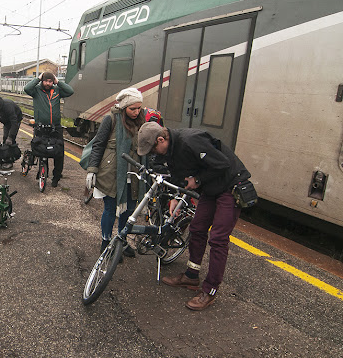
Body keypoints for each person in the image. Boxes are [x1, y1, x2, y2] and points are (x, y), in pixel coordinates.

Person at [136, 122, 251, 311]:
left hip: (230, 187)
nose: (154, 154)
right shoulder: (171, 151)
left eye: (153, 149)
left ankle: (210, 290)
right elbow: (181, 177)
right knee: (197, 229)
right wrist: (176, 197)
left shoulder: (190, 141)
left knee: (218, 239)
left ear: (161, 139)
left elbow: (222, 164)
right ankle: (191, 276)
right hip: (212, 188)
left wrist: (198, 180)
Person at [85, 88, 151, 255]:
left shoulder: (141, 120)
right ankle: (106, 242)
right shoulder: (111, 119)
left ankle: (121, 241)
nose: (137, 112)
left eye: (139, 108)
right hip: (111, 174)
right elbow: (98, 144)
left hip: (133, 174)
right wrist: (92, 170)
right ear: (123, 107)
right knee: (110, 208)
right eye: (132, 109)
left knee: (128, 211)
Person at [24, 71, 74, 186]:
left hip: (55, 128)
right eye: (46, 81)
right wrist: (38, 78)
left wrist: (58, 82)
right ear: (42, 80)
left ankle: (56, 177)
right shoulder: (36, 90)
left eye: (50, 81)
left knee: (59, 153)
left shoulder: (57, 90)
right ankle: (42, 172)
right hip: (40, 127)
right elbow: (27, 88)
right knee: (40, 150)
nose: (48, 83)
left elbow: (70, 91)